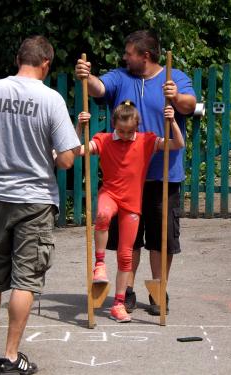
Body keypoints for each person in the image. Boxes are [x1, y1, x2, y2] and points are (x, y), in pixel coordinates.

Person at [0, 35, 81, 375]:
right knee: (25, 280)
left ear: (19, 58)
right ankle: (12, 356)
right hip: (34, 200)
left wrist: (2, 145)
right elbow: (65, 161)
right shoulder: (51, 100)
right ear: (46, 63)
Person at [75, 30, 196, 315]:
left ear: (145, 56)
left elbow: (189, 106)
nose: (124, 57)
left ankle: (158, 289)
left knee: (161, 238)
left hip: (162, 174)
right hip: (125, 179)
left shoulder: (173, 76)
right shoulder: (121, 77)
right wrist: (86, 75)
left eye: (129, 53)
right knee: (129, 238)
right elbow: (98, 89)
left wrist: (175, 96)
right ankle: (126, 290)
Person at [76, 100, 184, 322]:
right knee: (103, 215)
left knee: (126, 256)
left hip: (132, 203)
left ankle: (118, 304)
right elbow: (78, 150)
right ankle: (99, 264)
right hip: (111, 195)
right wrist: (79, 127)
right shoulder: (104, 140)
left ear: (138, 126)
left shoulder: (147, 141)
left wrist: (172, 121)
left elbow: (177, 144)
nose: (125, 135)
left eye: (130, 131)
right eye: (121, 130)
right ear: (113, 123)